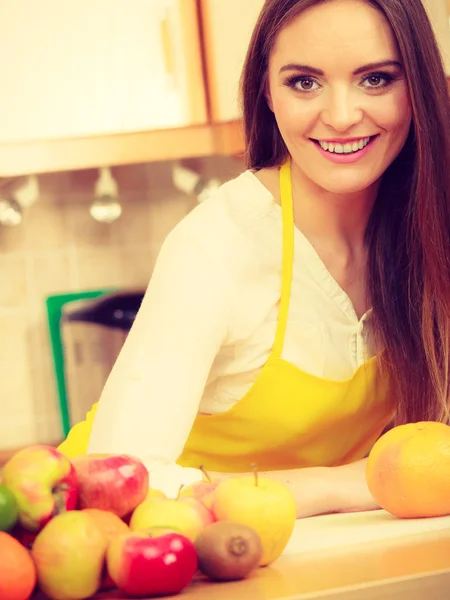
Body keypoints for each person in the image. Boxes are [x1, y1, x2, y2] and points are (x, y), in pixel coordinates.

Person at [57, 0, 450, 518]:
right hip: (147, 551)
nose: (340, 116)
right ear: (267, 91)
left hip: (295, 551)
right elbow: (118, 482)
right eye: (304, 82)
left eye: (376, 79)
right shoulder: (217, 246)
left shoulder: (428, 229)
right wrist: (345, 485)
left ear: (419, 85)